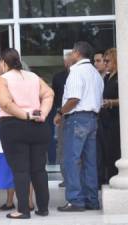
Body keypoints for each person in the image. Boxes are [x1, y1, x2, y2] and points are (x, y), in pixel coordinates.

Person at [0, 48, 54, 219]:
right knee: (39, 169)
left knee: (21, 170)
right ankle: (43, 208)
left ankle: (23, 210)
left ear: (4, 62)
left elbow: (5, 103)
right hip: (38, 126)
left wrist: (25, 115)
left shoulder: (2, 79)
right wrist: (41, 113)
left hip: (13, 126)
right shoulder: (33, 76)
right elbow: (49, 93)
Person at [54, 42, 104, 212]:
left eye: (72, 52)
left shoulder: (76, 71)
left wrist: (60, 113)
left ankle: (75, 200)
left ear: (77, 53)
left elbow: (74, 99)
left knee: (71, 160)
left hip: (77, 118)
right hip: (92, 118)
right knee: (90, 162)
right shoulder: (96, 73)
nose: (70, 55)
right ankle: (92, 200)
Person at [52, 52, 73, 188]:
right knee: (61, 146)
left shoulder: (80, 75)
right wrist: (58, 112)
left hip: (76, 112)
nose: (70, 63)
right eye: (68, 61)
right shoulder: (58, 77)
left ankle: (75, 179)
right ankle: (66, 178)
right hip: (61, 113)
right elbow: (54, 96)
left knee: (74, 148)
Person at [100, 48, 120, 183]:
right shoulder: (107, 77)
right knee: (106, 152)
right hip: (105, 119)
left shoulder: (121, 77)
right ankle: (109, 179)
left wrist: (111, 102)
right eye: (104, 60)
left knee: (115, 151)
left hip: (116, 120)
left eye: (107, 60)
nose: (105, 63)